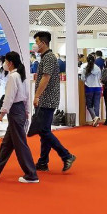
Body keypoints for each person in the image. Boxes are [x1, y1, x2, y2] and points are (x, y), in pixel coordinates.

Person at [0, 52, 38, 183]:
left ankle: (31, 174)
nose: (4, 64)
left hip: (15, 110)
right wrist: (26, 110)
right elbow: (27, 95)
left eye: (6, 62)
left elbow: (9, 98)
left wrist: (2, 113)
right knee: (7, 143)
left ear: (10, 63)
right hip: (20, 110)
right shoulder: (21, 75)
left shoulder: (13, 77)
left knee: (20, 144)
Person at [32, 31, 76, 172]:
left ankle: (66, 155)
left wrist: (37, 95)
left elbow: (46, 78)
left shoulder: (49, 57)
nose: (35, 45)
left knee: (44, 131)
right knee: (44, 131)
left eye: (37, 42)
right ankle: (43, 162)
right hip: (47, 99)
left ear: (43, 43)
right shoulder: (46, 57)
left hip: (47, 99)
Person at [80, 54, 102, 126]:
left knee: (89, 105)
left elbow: (82, 79)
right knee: (96, 105)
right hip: (98, 88)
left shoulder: (84, 67)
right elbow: (100, 78)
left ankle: (94, 117)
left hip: (89, 88)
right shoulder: (98, 68)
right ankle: (97, 121)